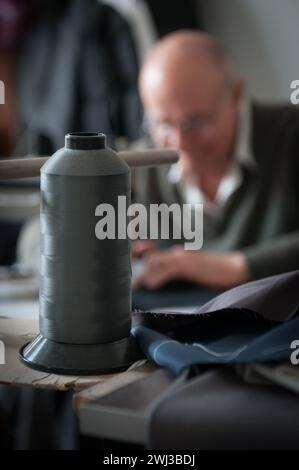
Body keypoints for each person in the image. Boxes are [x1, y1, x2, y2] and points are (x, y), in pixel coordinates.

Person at [132, 30, 299, 290]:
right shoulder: (139, 166)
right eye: (163, 124)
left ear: (236, 96)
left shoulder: (290, 136)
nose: (179, 143)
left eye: (196, 122)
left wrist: (228, 266)